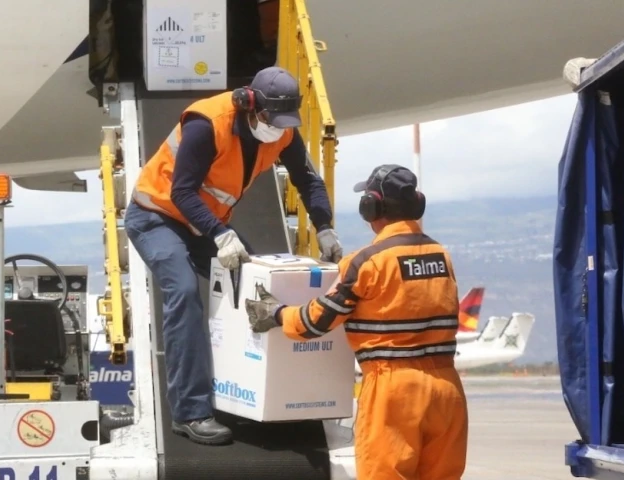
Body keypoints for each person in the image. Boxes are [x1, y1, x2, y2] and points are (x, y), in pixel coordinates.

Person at [124, 66, 343, 446]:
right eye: (270, 120)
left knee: (256, 290)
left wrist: (324, 226)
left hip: (204, 223)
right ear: (249, 105)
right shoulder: (206, 124)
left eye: (283, 122)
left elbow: (307, 179)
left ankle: (249, 394)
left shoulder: (283, 129)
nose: (276, 129)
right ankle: (191, 413)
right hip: (156, 216)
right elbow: (182, 193)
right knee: (185, 293)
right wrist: (221, 234)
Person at [245, 164, 469, 479]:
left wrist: (277, 313)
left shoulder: (366, 262)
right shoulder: (440, 256)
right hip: (448, 391)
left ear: (371, 207)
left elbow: (316, 322)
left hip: (393, 390)